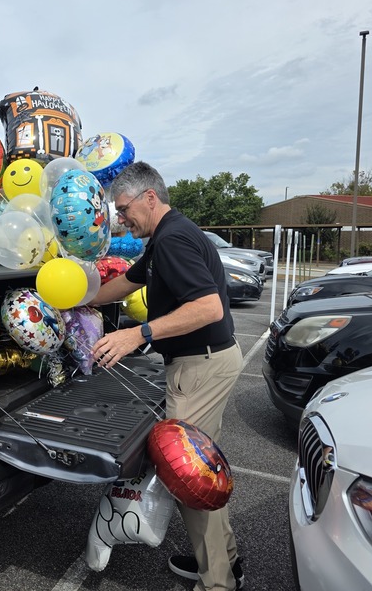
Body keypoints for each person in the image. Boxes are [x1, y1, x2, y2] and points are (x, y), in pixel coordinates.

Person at [91, 161, 244, 591]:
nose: (121, 218)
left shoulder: (173, 239)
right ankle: (224, 562)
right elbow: (124, 284)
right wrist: (78, 302)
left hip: (200, 366)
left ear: (149, 198)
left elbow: (208, 308)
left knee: (190, 479)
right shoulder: (164, 238)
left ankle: (217, 583)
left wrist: (135, 335)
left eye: (123, 209)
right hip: (206, 362)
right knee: (203, 471)